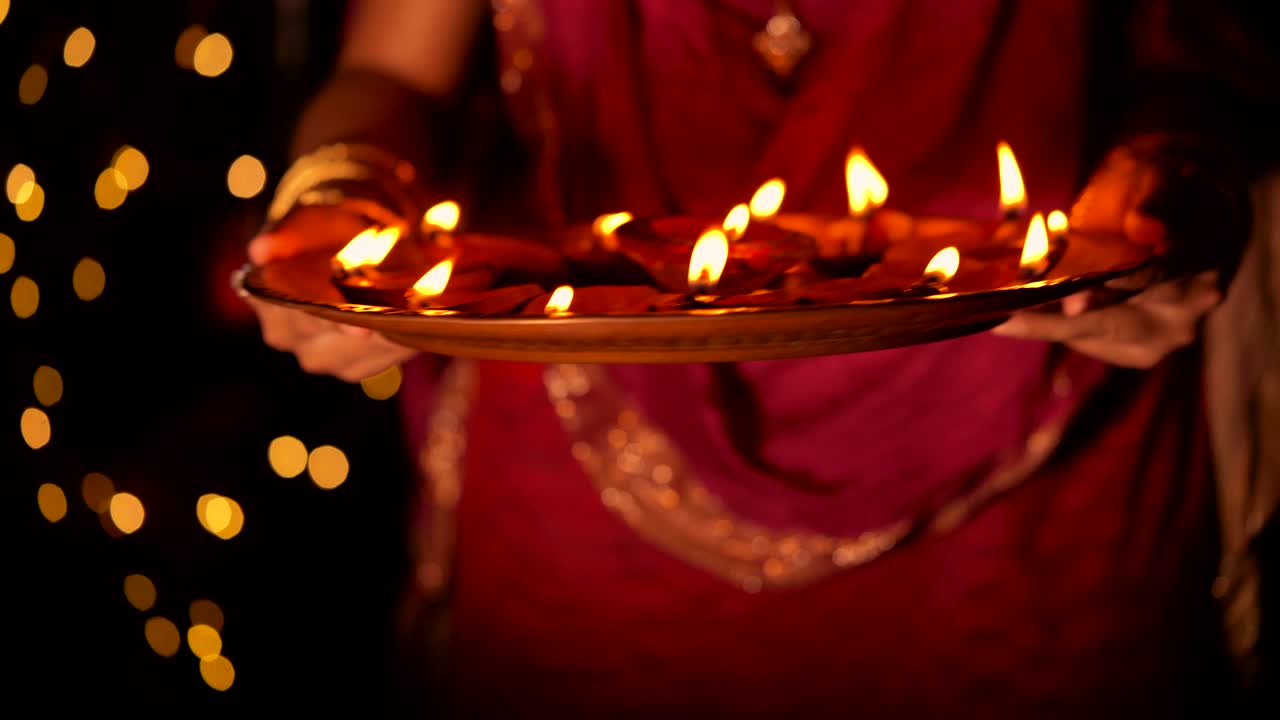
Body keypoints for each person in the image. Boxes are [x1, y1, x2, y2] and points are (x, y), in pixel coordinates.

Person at [244, 1, 1278, 715]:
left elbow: (1196, 56)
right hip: (587, 505)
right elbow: (386, 74)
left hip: (1043, 487)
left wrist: (1173, 182)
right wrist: (339, 199)